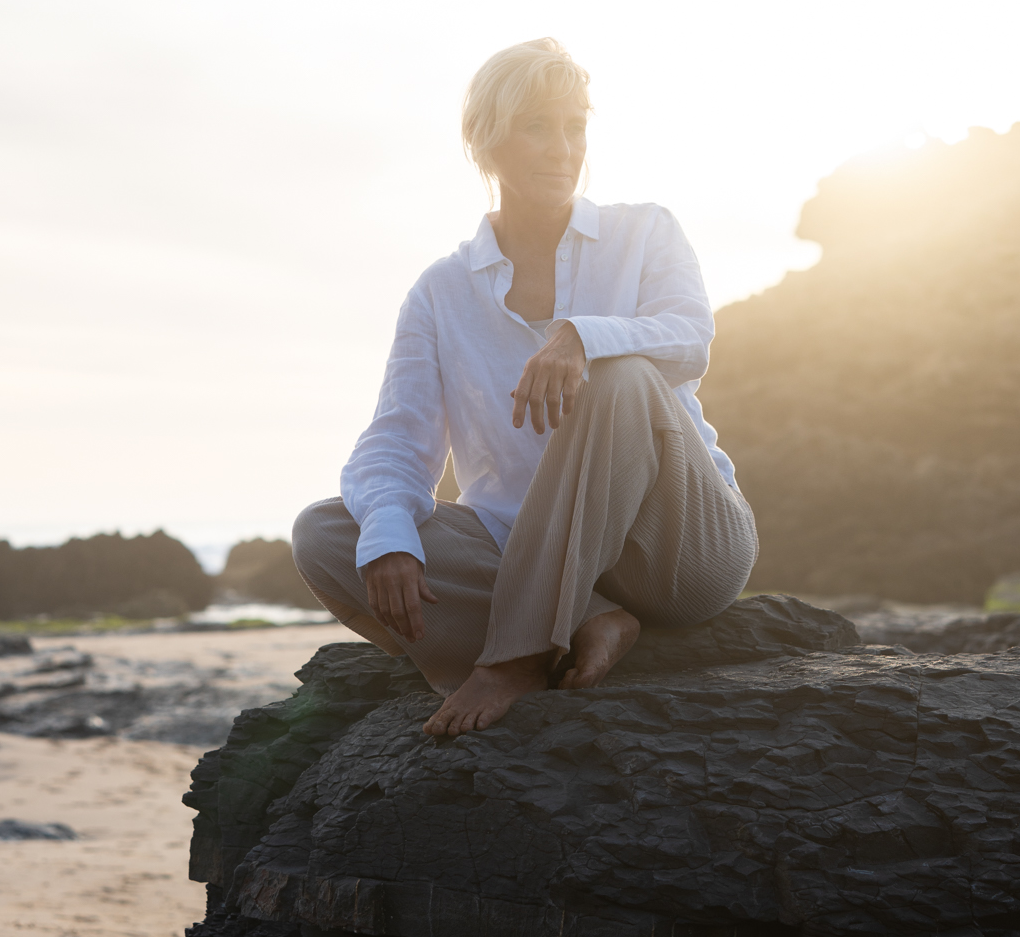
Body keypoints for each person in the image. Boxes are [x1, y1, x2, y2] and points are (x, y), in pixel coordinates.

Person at [292, 39, 757, 737]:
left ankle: (518, 655)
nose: (562, 148)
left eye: (575, 127)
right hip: (520, 552)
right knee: (330, 532)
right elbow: (397, 438)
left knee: (625, 375)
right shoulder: (440, 292)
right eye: (537, 127)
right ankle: (589, 617)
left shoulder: (646, 232)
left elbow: (690, 339)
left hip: (676, 545)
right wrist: (390, 536)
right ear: (485, 141)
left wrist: (583, 338)